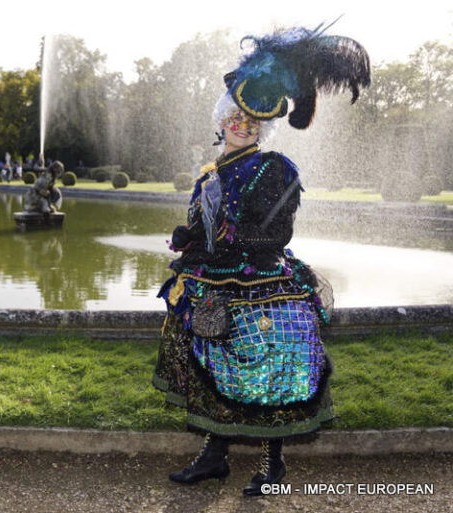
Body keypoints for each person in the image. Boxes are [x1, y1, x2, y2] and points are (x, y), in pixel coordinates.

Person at [153, 24, 370, 497]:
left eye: (252, 123)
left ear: (262, 128)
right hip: (212, 281)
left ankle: (273, 466)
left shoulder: (273, 168)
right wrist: (189, 235)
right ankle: (214, 457)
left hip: (261, 287)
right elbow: (205, 223)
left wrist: (233, 241)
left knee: (270, 371)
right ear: (222, 119)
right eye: (236, 119)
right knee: (212, 368)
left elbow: (277, 234)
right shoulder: (211, 171)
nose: (242, 127)